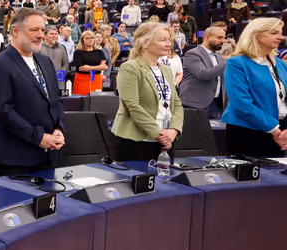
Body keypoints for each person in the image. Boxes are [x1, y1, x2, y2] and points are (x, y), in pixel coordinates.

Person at [0, 8, 66, 174]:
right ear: (15, 31)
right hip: (15, 159)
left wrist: (59, 129)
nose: (41, 35)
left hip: (47, 155)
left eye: (42, 30)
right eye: (34, 30)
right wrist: (38, 137)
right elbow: (2, 110)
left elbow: (55, 101)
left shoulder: (45, 62)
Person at [112, 22, 184, 162]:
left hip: (167, 142)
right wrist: (159, 134)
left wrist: (174, 130)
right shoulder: (130, 68)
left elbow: (176, 103)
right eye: (163, 40)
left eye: (169, 40)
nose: (168, 44)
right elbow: (132, 106)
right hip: (135, 142)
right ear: (145, 43)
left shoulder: (166, 70)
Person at [222, 18, 287, 156]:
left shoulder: (280, 64)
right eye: (274, 33)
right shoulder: (237, 63)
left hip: (281, 134)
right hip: (247, 132)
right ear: (256, 35)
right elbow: (241, 103)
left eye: (281, 33)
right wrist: (274, 129)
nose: (281, 37)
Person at [180, 26, 227, 120]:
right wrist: (229, 62)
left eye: (224, 37)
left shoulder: (220, 58)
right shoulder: (192, 54)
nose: (223, 41)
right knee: (194, 134)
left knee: (214, 134)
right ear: (207, 38)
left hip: (216, 104)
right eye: (219, 38)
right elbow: (203, 74)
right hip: (194, 104)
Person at [71, 30, 107, 95]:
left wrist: (89, 67)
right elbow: (81, 68)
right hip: (82, 79)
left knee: (96, 99)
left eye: (92, 38)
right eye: (87, 38)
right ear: (82, 40)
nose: (90, 40)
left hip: (96, 79)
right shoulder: (78, 52)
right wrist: (99, 67)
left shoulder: (99, 52)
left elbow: (105, 67)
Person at [38, 26, 69, 92]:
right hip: (43, 80)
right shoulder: (38, 48)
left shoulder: (61, 48)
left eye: (56, 34)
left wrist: (61, 73)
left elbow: (65, 63)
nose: (54, 36)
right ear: (44, 35)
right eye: (51, 34)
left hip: (59, 82)